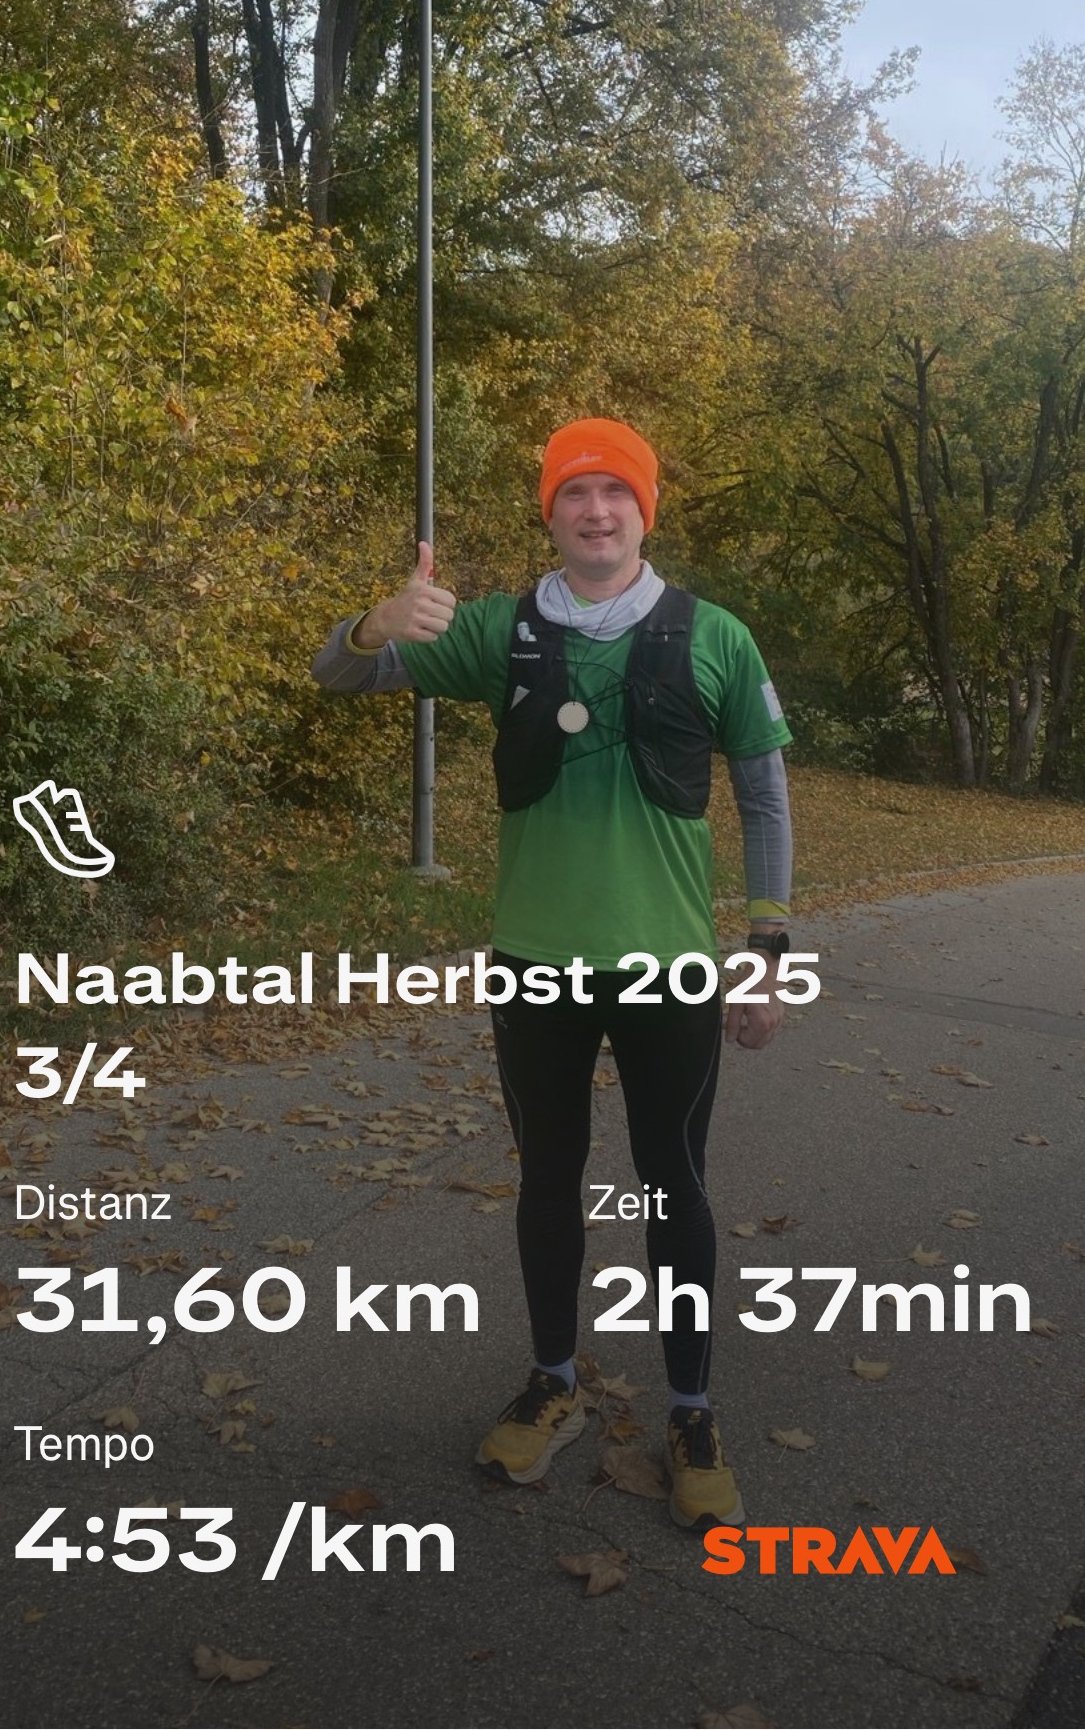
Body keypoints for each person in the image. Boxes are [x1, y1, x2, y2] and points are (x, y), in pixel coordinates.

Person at [312, 417, 794, 1531]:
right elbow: (336, 674)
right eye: (575, 492)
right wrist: (371, 624)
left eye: (616, 491)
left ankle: (691, 1408)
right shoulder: (497, 629)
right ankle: (553, 1380)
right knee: (547, 1181)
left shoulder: (716, 636)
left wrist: (767, 951)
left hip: (672, 968)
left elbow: (765, 799)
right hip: (535, 963)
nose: (596, 510)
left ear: (644, 510)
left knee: (675, 1185)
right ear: (552, 512)